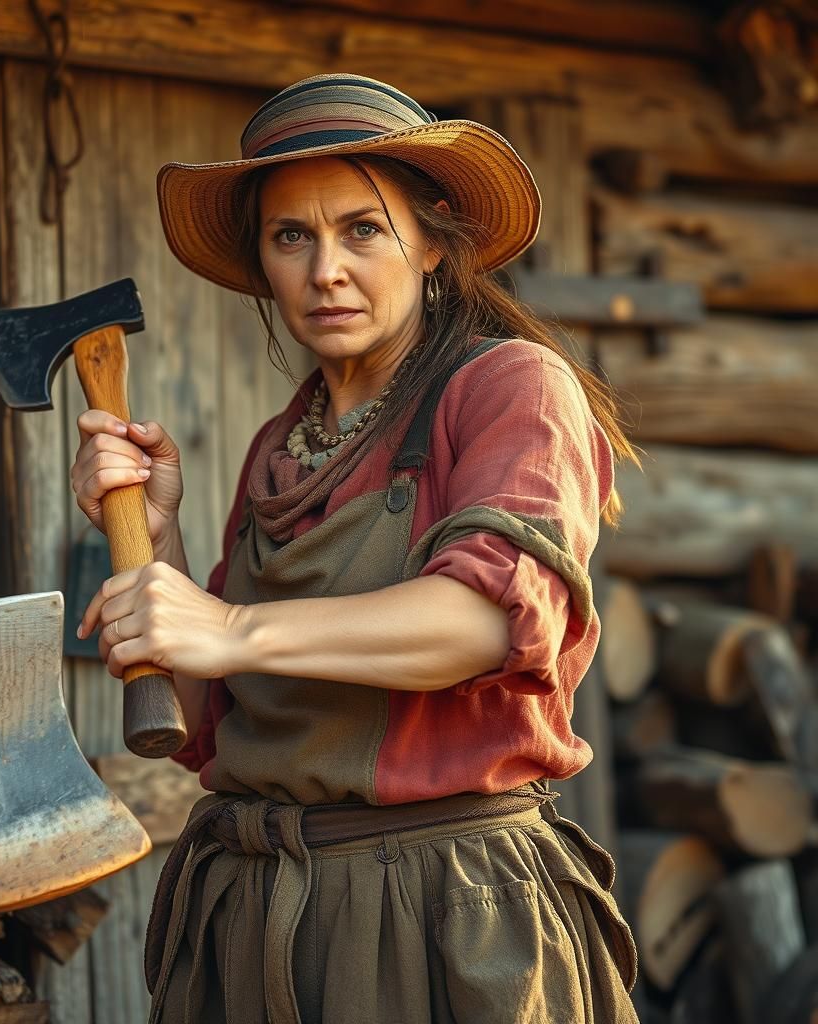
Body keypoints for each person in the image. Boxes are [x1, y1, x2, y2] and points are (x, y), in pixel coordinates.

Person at [71, 73, 641, 1024]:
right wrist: (158, 549)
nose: (324, 269)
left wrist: (233, 624)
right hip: (253, 920)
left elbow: (480, 623)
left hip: (442, 914)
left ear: (430, 243)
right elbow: (221, 724)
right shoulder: (279, 445)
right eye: (291, 236)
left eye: (361, 229)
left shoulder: (511, 388)